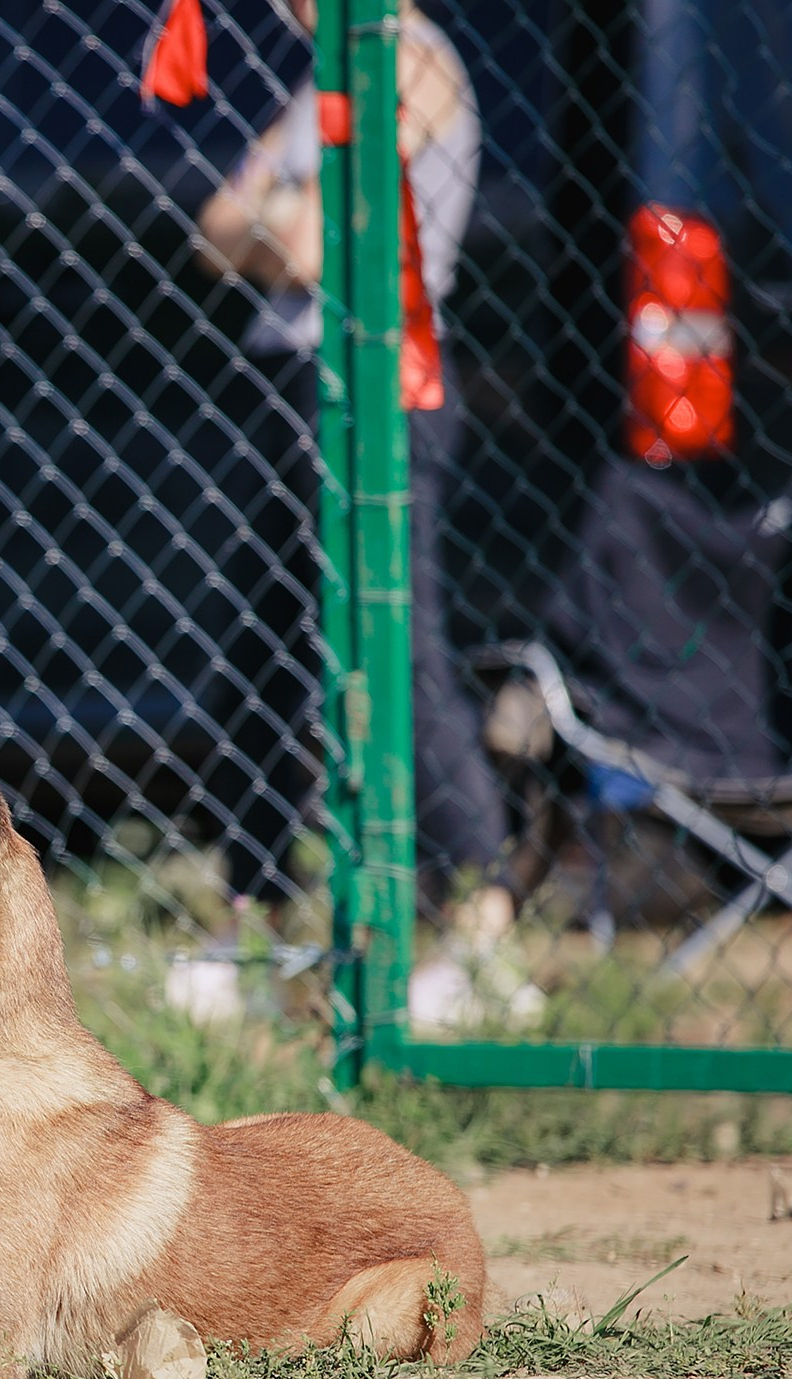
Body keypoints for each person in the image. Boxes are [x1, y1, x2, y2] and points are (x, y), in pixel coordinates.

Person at [178, 0, 536, 1029]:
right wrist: (277, 212)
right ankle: (253, 917)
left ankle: (484, 927)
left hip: (381, 388)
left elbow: (298, 246)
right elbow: (213, 234)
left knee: (399, 648)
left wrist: (273, 209)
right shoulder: (319, 78)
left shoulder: (407, 62)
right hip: (288, 386)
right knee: (257, 659)